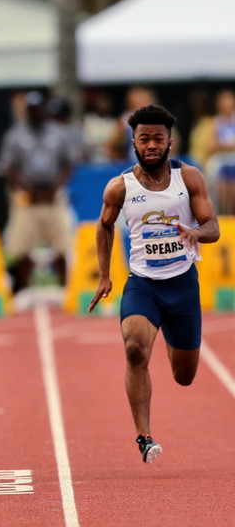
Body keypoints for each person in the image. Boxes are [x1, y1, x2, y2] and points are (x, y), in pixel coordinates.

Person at [88, 104, 220, 464]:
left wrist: (195, 233)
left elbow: (213, 227)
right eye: (144, 138)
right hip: (143, 284)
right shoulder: (120, 187)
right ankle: (144, 436)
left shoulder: (188, 178)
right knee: (134, 349)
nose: (151, 145)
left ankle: (171, 336)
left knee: (184, 376)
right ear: (133, 142)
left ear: (169, 142)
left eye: (157, 139)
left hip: (182, 285)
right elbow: (104, 226)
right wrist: (104, 274)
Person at [0, 91, 76, 294]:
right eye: (31, 110)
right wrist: (28, 189)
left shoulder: (58, 134)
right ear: (27, 111)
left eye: (38, 109)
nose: (35, 113)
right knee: (20, 247)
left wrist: (56, 187)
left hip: (53, 197)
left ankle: (64, 289)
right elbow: (10, 168)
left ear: (44, 109)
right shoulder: (15, 136)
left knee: (62, 245)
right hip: (27, 199)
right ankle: (24, 289)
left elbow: (68, 164)